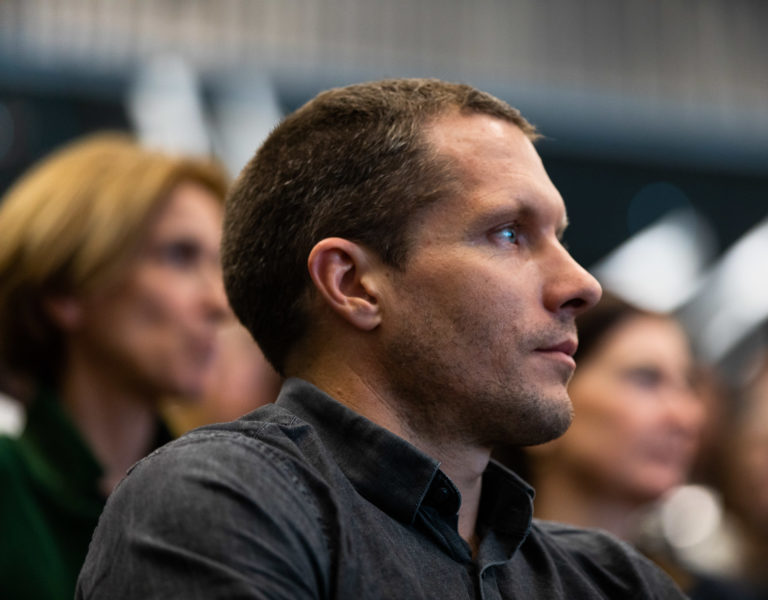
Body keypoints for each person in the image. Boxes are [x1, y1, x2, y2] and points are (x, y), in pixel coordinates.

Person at [76, 78, 686, 599]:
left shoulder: (613, 580)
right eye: (509, 233)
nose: (583, 284)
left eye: (560, 236)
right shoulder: (224, 501)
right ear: (354, 285)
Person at [0, 133, 230, 600]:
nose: (219, 303)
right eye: (180, 256)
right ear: (66, 289)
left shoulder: (226, 500)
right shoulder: (10, 495)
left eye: (220, 265)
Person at [516, 295, 704, 541]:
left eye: (688, 384)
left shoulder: (682, 570)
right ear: (543, 399)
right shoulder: (474, 562)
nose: (686, 417)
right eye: (645, 379)